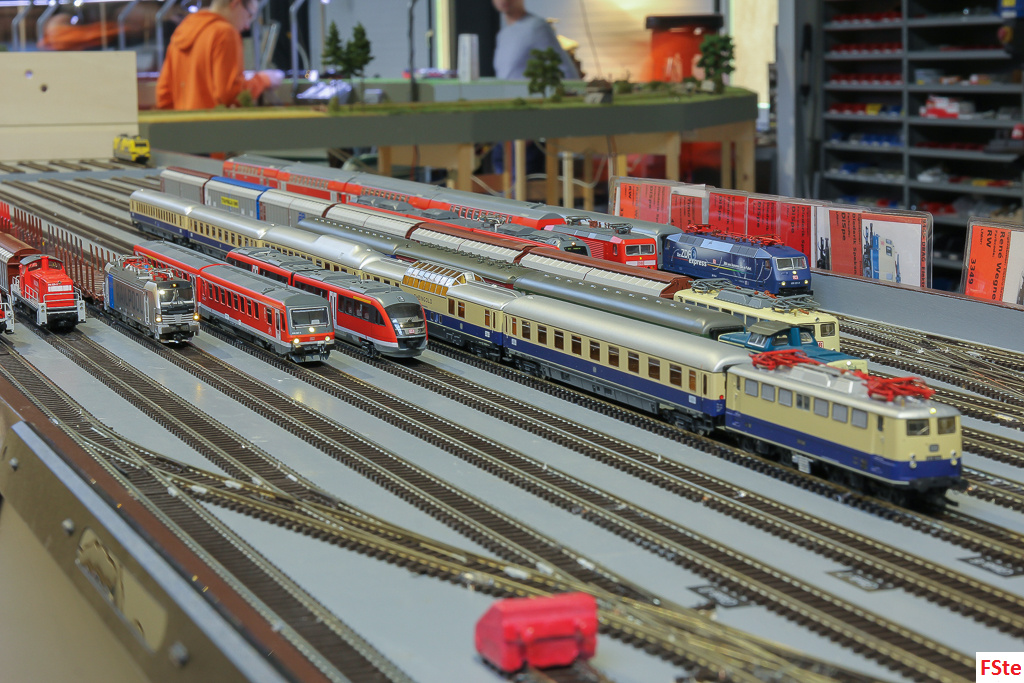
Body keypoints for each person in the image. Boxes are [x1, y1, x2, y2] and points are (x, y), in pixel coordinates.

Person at [157, 0, 283, 110]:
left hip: (182, 125)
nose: (247, 26)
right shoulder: (225, 33)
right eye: (249, 15)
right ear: (236, 3)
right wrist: (264, 80)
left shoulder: (183, 30)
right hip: (215, 126)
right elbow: (232, 94)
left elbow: (163, 94)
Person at [492, 0, 580, 81]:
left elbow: (568, 73)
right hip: (507, 93)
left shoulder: (537, 27)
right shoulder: (502, 35)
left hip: (530, 93)